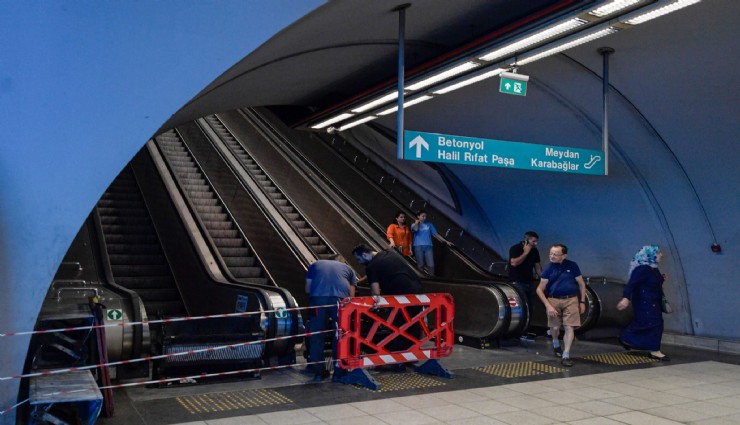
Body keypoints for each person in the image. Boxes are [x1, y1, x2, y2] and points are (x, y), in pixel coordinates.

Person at [351, 244, 423, 362]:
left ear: (364, 255)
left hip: (399, 297)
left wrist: (373, 304)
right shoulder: (389, 254)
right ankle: (413, 355)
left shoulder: (372, 266)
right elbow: (373, 274)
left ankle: (398, 359)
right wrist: (359, 282)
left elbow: (375, 292)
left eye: (359, 259)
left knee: (398, 326)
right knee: (414, 323)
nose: (359, 262)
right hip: (417, 292)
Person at [305, 254, 358, 381]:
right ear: (342, 261)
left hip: (317, 300)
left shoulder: (315, 264)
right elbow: (351, 295)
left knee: (316, 335)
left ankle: (319, 372)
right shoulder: (349, 269)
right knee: (340, 335)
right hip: (340, 301)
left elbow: (307, 289)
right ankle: (339, 371)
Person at [535, 244, 587, 367]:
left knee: (569, 327)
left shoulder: (572, 266)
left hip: (571, 299)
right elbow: (539, 289)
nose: (552, 256)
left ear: (564, 256)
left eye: (555, 254)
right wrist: (548, 306)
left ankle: (566, 355)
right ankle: (555, 342)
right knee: (555, 328)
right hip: (553, 300)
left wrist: (582, 301)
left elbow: (581, 284)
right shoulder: (548, 269)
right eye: (551, 253)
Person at [616, 245, 670, 361]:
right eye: (659, 253)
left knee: (655, 324)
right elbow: (631, 284)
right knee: (647, 323)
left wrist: (662, 279)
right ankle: (627, 337)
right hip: (643, 302)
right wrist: (626, 298)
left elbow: (652, 282)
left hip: (653, 301)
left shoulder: (654, 269)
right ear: (651, 254)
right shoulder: (642, 269)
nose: (661, 255)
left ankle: (653, 349)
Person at [508, 231, 543, 316]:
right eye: (533, 241)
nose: (536, 243)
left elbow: (537, 267)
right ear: (526, 240)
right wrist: (526, 253)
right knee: (517, 308)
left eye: (536, 241)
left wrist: (543, 279)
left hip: (529, 282)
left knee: (530, 308)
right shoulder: (516, 248)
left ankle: (526, 326)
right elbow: (514, 263)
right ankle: (517, 327)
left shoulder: (534, 250)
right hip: (517, 282)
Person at [410, 210, 438, 275]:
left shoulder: (429, 224)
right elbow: (416, 229)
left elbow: (436, 234)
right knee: (420, 265)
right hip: (418, 246)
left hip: (428, 246)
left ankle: (431, 278)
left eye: (425, 216)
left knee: (431, 265)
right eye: (423, 216)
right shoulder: (413, 225)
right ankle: (421, 279)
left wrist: (446, 241)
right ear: (418, 216)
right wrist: (417, 223)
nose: (424, 218)